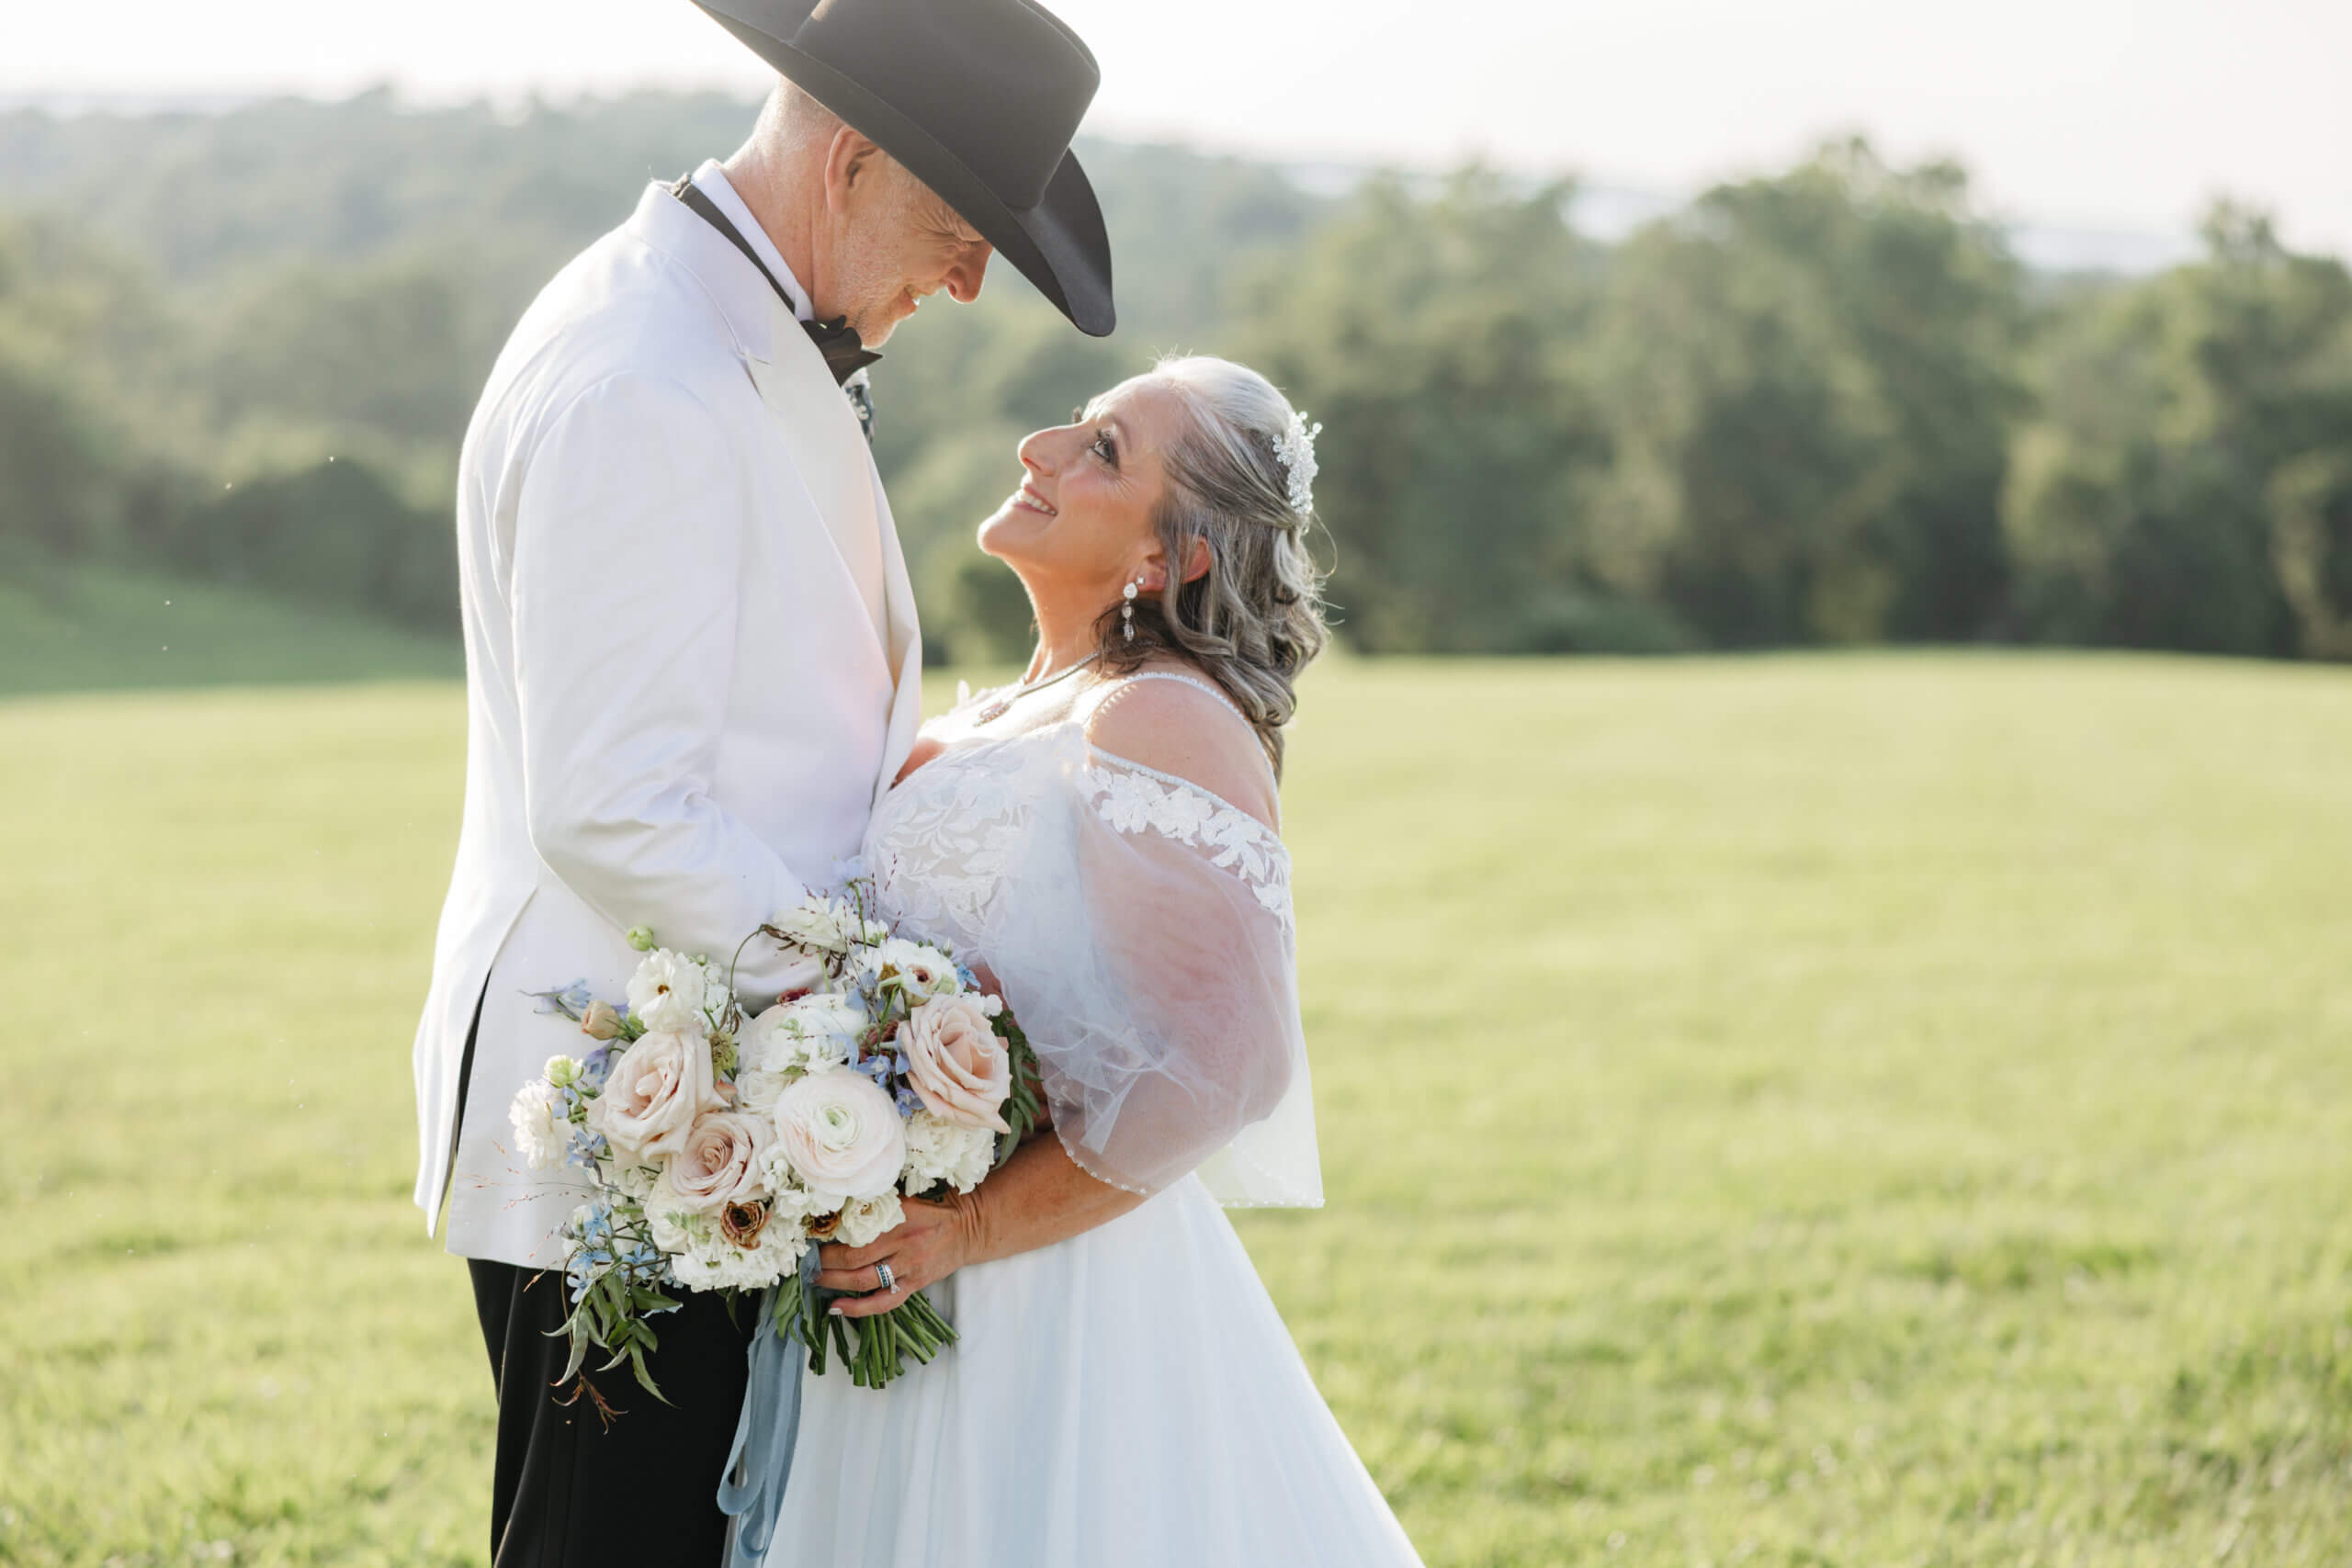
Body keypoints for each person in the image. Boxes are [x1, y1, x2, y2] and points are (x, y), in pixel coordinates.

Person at [404, 1, 1114, 1562]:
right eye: (958, 225)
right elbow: (612, 800)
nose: (969, 276)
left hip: (733, 1111)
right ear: (851, 160)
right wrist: (882, 1011)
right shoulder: (643, 376)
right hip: (624, 1131)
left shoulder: (724, 325)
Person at [737, 355, 1426, 1567]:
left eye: (1103, 450)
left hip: (1049, 1299)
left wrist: (976, 1230)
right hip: (895, 1270)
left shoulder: (1157, 714)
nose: (1037, 448)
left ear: (1170, 560)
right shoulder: (969, 723)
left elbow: (1223, 1065)